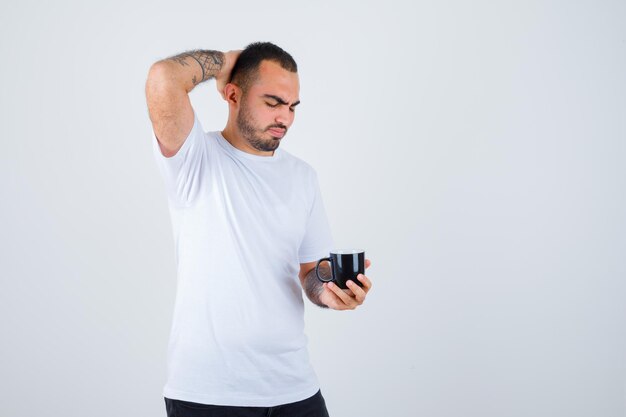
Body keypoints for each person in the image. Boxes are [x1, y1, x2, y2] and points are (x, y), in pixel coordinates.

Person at [145, 42, 373, 417]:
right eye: (272, 102)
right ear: (232, 95)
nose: (285, 117)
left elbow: (310, 269)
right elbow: (163, 77)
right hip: (208, 395)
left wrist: (330, 292)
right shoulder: (195, 159)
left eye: (292, 106)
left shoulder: (303, 177)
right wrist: (226, 63)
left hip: (295, 389)